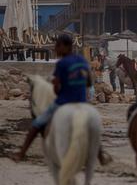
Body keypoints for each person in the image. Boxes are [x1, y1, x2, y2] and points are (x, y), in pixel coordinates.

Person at [12, 34, 111, 164]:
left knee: (36, 124)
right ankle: (101, 157)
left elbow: (56, 88)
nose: (55, 48)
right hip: (82, 103)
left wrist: (60, 90)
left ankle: (21, 153)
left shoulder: (62, 64)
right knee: (92, 129)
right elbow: (88, 82)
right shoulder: (82, 60)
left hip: (65, 103)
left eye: (57, 45)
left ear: (66, 47)